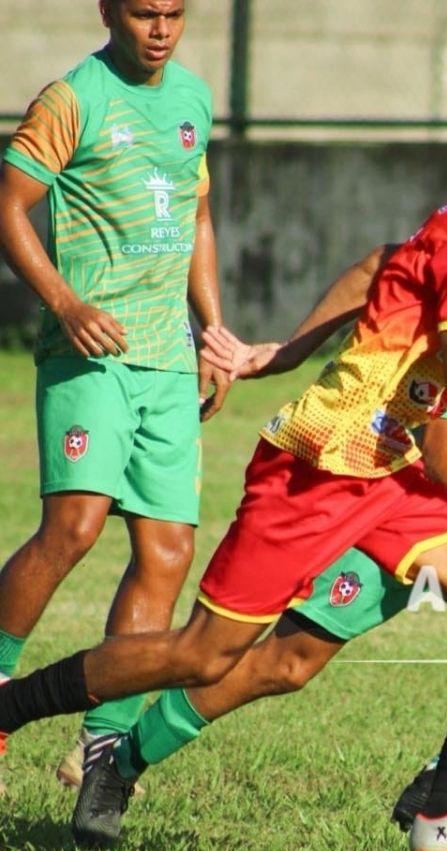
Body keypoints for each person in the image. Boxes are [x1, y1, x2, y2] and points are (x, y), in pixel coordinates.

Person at [0, 112, 447, 851]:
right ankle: (12, 706)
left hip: (392, 469)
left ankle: (444, 811)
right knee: (205, 655)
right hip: (320, 469)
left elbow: (380, 267)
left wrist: (288, 350)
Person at [0, 0, 229, 795]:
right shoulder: (74, 98)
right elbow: (8, 205)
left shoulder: (194, 98)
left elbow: (197, 215)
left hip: (167, 359)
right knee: (75, 526)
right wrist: (66, 304)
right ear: (107, 10)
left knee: (168, 553)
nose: (159, 29)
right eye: (142, 13)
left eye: (173, 13)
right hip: (90, 353)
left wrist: (213, 330)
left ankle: (101, 745)